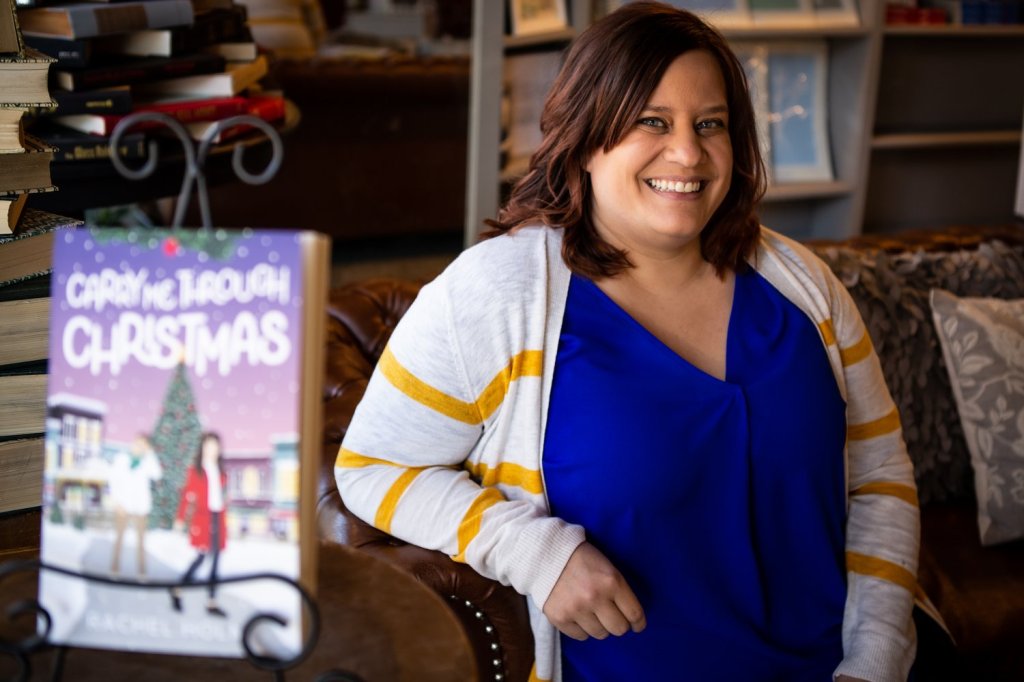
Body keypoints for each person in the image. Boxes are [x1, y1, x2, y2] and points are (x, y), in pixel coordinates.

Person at [336, 3, 920, 681]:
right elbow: (371, 468)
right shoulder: (497, 293)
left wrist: (876, 657)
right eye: (652, 121)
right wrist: (532, 552)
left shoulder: (804, 285)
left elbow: (880, 478)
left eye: (710, 124)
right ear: (587, 139)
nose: (688, 154)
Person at [172, 431, 229, 617]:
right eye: (208, 446)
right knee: (201, 558)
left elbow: (220, 495)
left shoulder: (221, 471)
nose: (212, 450)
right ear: (202, 448)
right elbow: (186, 497)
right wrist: (180, 519)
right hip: (203, 519)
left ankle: (211, 602)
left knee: (216, 560)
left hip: (218, 518)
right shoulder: (195, 471)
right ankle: (177, 589)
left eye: (215, 446)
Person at [109, 434, 163, 577]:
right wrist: (117, 503)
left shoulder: (147, 462)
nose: (139, 447)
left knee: (141, 542)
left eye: (143, 445)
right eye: (137, 443)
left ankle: (142, 571)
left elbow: (157, 474)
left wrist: (150, 454)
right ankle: (114, 569)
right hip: (123, 506)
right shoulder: (121, 459)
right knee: (119, 539)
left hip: (141, 508)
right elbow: (113, 481)